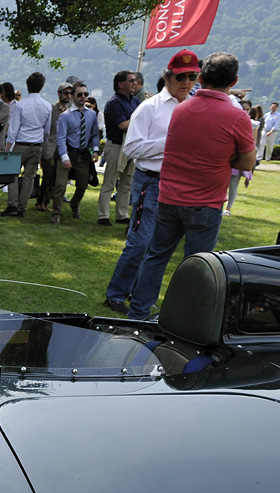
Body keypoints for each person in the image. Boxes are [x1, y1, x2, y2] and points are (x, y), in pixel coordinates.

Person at [127, 52, 255, 321]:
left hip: (169, 196)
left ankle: (138, 311)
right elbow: (247, 162)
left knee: (155, 256)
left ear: (202, 76)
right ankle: (185, 320)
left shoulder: (181, 109)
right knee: (199, 266)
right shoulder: (237, 117)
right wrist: (227, 154)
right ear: (234, 81)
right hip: (205, 202)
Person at [103, 50, 199, 316]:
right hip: (152, 181)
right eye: (181, 76)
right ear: (167, 77)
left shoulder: (193, 106)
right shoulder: (150, 107)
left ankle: (140, 297)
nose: (187, 82)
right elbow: (132, 148)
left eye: (192, 76)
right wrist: (171, 143)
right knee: (140, 242)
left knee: (160, 248)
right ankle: (116, 294)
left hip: (180, 183)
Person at [3, 72, 51, 217]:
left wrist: (8, 148)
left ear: (27, 85)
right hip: (37, 145)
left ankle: (12, 204)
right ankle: (21, 207)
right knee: (29, 177)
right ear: (41, 86)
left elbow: (13, 129)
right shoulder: (47, 106)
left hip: (21, 144)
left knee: (13, 174)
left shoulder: (21, 105)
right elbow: (47, 130)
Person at [50, 82, 99, 224]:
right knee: (60, 186)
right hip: (68, 152)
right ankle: (56, 213)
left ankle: (74, 204)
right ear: (72, 96)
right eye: (80, 94)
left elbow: (95, 134)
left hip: (83, 155)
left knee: (83, 185)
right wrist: (64, 157)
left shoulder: (91, 115)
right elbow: (61, 138)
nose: (83, 97)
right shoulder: (65, 116)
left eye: (86, 94)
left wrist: (95, 150)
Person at [97, 71, 138, 227]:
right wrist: (138, 119)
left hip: (130, 145)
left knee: (127, 183)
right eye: (131, 80)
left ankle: (122, 214)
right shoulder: (114, 102)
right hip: (116, 145)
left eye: (135, 80)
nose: (135, 83)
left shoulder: (135, 102)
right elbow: (122, 125)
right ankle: (103, 215)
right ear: (121, 84)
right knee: (110, 182)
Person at [37, 83, 72, 212]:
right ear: (59, 94)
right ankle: (40, 200)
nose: (68, 96)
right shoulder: (51, 108)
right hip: (49, 145)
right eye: (66, 93)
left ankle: (47, 201)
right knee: (47, 175)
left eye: (70, 93)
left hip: (63, 147)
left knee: (57, 177)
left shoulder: (71, 109)